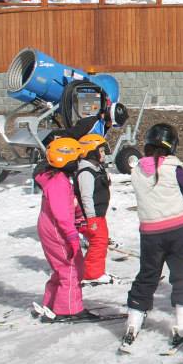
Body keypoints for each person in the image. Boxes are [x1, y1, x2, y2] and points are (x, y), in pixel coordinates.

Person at [123, 123, 183, 347]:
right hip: (178, 231)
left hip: (150, 233)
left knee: (147, 275)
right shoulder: (174, 169)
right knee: (181, 275)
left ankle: (134, 321)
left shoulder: (136, 170)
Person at [36, 137, 88, 320]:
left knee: (62, 268)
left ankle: (51, 303)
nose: (78, 164)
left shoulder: (57, 178)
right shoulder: (58, 182)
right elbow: (62, 214)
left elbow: (69, 205)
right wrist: (72, 237)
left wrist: (80, 220)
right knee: (71, 267)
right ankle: (68, 309)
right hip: (57, 230)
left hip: (51, 227)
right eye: (77, 159)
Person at [75, 134, 113, 284]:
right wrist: (91, 218)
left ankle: (94, 269)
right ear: (91, 152)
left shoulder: (96, 169)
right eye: (101, 151)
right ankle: (92, 273)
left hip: (99, 214)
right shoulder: (86, 173)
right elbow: (86, 196)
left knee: (101, 242)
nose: (104, 154)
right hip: (93, 216)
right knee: (98, 242)